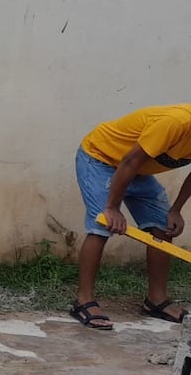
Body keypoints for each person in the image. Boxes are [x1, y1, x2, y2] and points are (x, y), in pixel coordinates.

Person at [71, 104, 191, 330]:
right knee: (103, 225)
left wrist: (176, 210)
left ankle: (156, 300)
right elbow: (129, 161)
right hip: (100, 158)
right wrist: (113, 207)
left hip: (137, 168)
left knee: (164, 226)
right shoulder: (176, 122)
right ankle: (83, 300)